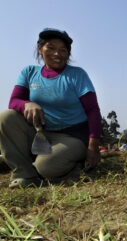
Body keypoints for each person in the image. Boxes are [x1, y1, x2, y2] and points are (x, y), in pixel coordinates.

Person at [0, 28, 102, 187]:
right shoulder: (29, 73)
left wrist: (93, 147)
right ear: (40, 49)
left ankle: (73, 167)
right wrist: (27, 103)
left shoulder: (77, 75)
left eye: (63, 50)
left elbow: (93, 110)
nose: (57, 54)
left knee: (46, 167)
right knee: (6, 118)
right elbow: (14, 101)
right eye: (51, 48)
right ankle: (25, 175)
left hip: (72, 137)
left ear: (68, 54)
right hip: (40, 133)